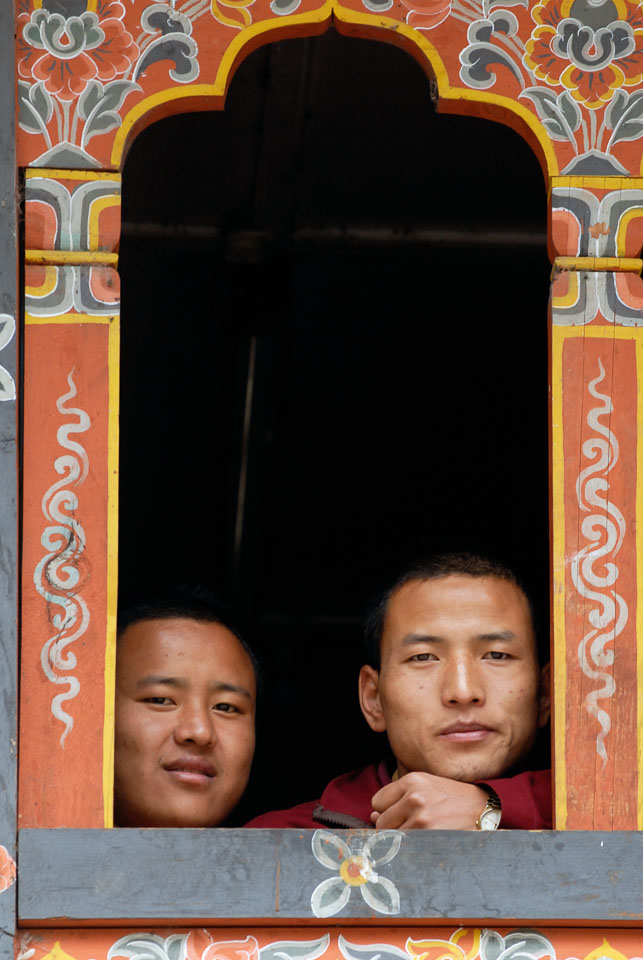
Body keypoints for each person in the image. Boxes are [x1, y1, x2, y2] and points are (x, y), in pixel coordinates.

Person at [246, 553, 551, 830]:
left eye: (497, 655)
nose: (462, 690)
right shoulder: (277, 845)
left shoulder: (593, 819)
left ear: (547, 694)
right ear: (373, 699)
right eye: (423, 657)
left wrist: (494, 808)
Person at [114, 587, 258, 827]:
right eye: (160, 700)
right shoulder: (30, 859)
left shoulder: (286, 859)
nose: (200, 733)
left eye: (226, 707)